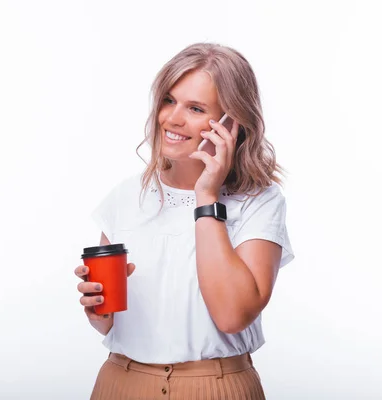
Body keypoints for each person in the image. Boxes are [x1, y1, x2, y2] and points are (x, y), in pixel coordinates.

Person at [75, 43, 294, 399]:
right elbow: (107, 323)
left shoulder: (259, 203)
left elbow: (232, 316)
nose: (173, 118)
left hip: (215, 386)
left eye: (195, 108)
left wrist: (206, 196)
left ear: (231, 123)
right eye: (168, 100)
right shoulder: (126, 197)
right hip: (122, 381)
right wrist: (97, 310)